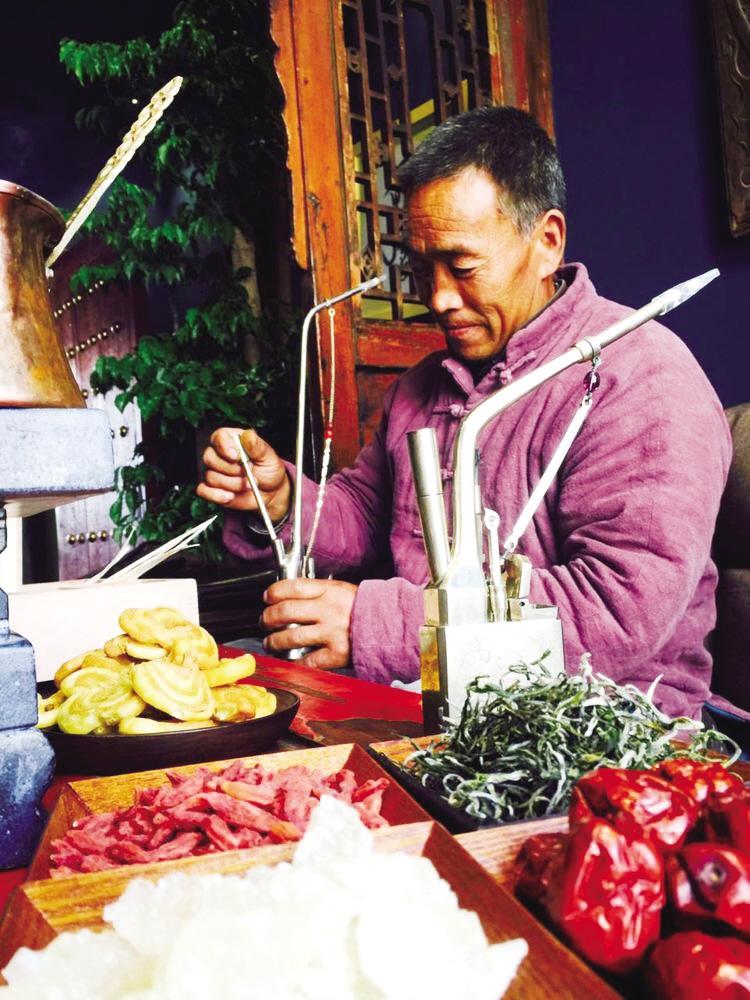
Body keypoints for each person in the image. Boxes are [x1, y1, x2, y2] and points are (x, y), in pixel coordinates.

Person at [197, 106, 731, 721]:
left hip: (597, 720)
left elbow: (616, 609)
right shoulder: (422, 387)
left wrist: (377, 623)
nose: (439, 298)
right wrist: (283, 500)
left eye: (463, 266)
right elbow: (367, 511)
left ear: (547, 242)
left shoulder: (641, 373)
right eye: (422, 269)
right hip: (426, 693)